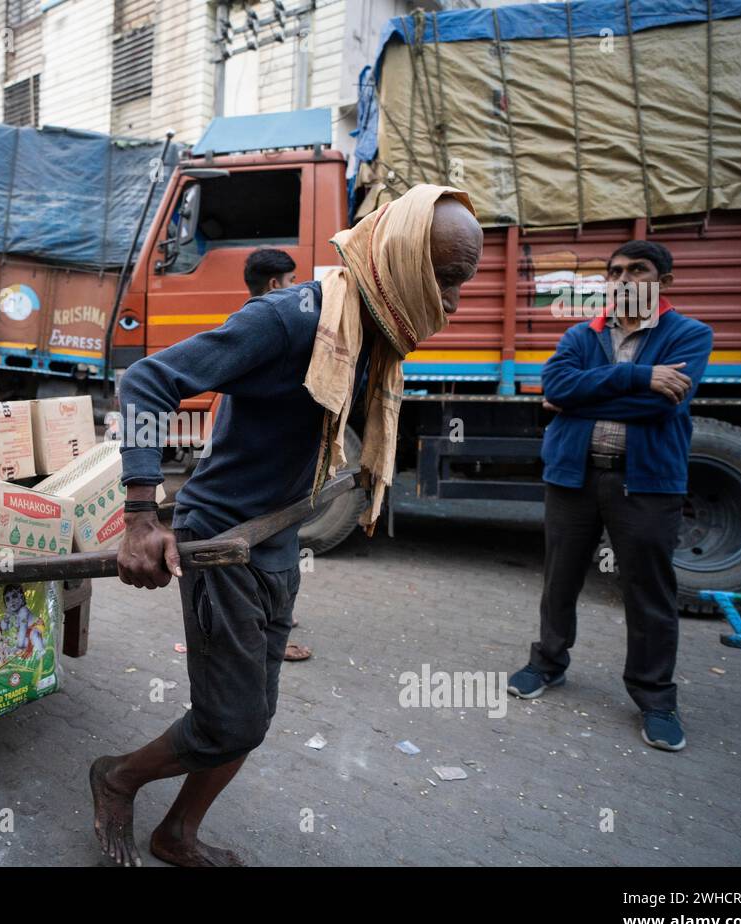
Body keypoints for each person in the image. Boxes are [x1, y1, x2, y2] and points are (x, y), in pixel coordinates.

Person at [90, 184, 484, 866]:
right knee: (229, 720)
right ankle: (116, 777)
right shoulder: (293, 319)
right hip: (221, 542)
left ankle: (176, 833)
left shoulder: (372, 327)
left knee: (252, 719)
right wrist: (140, 516)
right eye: (445, 280)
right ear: (401, 260)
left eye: (461, 284)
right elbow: (148, 382)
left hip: (275, 536)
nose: (452, 303)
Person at [507, 240, 713, 753]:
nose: (623, 279)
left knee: (649, 590)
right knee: (560, 579)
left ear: (663, 281)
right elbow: (554, 384)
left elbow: (664, 408)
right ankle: (547, 663)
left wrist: (579, 398)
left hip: (644, 482)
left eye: (637, 270)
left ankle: (656, 698)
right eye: (615, 272)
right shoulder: (584, 333)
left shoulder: (690, 335)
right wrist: (638, 377)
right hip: (574, 478)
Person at [242, 249, 313, 662]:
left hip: (263, 462)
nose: (299, 290)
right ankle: (269, 634)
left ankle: (274, 624)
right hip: (262, 465)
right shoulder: (268, 326)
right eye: (292, 282)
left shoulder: (257, 323)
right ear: (275, 284)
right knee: (263, 551)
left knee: (275, 548)